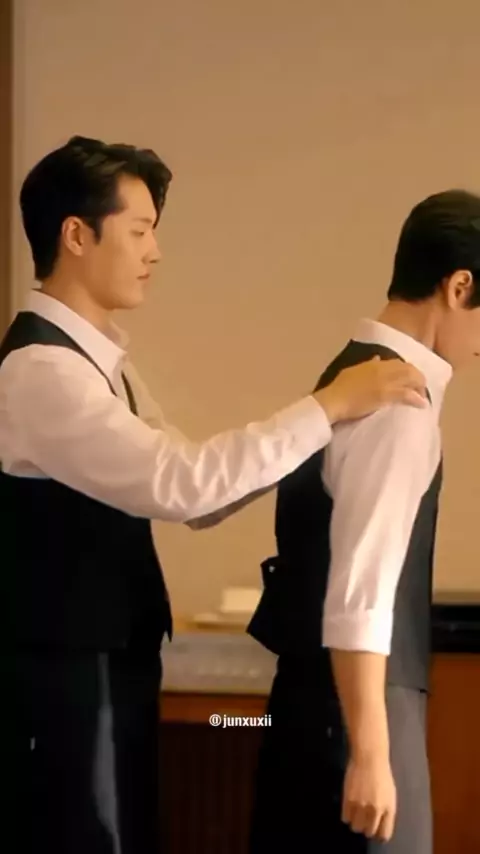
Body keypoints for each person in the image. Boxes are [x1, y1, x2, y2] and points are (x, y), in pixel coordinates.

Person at [0, 135, 426, 854]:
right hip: (63, 683)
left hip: (108, 670)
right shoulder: (42, 372)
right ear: (75, 235)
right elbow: (184, 481)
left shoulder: (107, 366)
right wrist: (327, 407)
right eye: (139, 231)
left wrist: (323, 432)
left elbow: (201, 495)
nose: (155, 252)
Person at [247, 189, 480, 854]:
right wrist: (374, 755)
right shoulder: (398, 406)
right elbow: (362, 592)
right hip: (359, 712)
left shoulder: (348, 375)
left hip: (314, 708)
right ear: (459, 287)